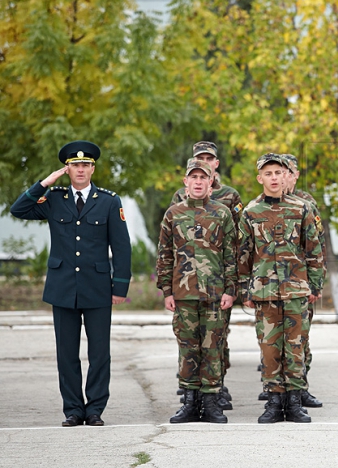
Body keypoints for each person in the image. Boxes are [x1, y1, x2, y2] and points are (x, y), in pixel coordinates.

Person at [10, 140, 131, 427]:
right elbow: (19, 209)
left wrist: (120, 287)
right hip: (63, 286)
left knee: (99, 354)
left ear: (93, 168)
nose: (81, 169)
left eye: (86, 165)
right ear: (67, 168)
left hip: (98, 287)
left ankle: (95, 409)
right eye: (75, 165)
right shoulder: (53, 198)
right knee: (66, 354)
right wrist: (46, 181)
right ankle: (73, 410)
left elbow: (122, 247)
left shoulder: (109, 201)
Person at [238, 153, 324, 424]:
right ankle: (274, 402)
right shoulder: (250, 212)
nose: (273, 178)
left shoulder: (301, 208)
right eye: (268, 174)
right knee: (269, 349)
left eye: (278, 173)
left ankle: (295, 402)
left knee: (295, 347)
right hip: (264, 292)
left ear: (285, 175)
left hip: (297, 290)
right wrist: (245, 290)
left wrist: (315, 285)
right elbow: (243, 255)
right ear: (259, 178)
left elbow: (313, 250)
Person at [157, 159, 237, 424]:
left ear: (211, 182)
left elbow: (231, 255)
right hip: (184, 294)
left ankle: (212, 402)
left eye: (204, 177)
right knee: (187, 348)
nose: (199, 182)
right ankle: (190, 402)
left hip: (215, 294)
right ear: (186, 182)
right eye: (194, 177)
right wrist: (167, 290)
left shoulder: (222, 213)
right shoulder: (173, 214)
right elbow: (165, 255)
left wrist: (231, 290)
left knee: (213, 348)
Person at [281, 153, 325, 408]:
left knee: (301, 338)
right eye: (281, 171)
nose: (286, 176)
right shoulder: (264, 204)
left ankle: (301, 386)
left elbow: (316, 244)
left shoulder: (306, 202)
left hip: (301, 283)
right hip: (275, 284)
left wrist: (316, 281)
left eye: (290, 171)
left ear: (296, 175)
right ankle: (278, 388)